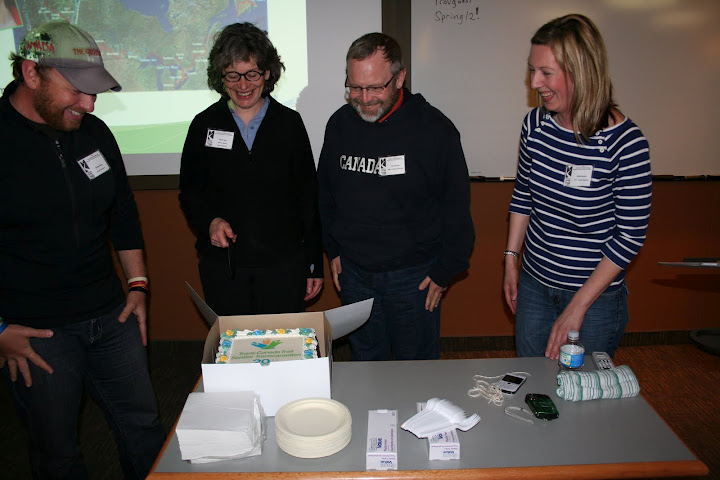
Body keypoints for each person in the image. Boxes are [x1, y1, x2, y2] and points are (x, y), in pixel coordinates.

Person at [0, 21, 165, 479]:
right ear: (32, 73)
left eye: (95, 93)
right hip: (36, 333)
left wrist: (137, 285)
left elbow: (123, 214)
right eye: (77, 90)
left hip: (111, 316)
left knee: (145, 428)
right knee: (58, 453)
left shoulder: (94, 133)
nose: (90, 104)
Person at [317, 33, 475, 361]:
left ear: (400, 77)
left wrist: (446, 270)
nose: (364, 98)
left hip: (414, 277)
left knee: (414, 371)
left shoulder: (434, 129)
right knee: (366, 365)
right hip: (356, 274)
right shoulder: (339, 125)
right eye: (355, 87)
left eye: (375, 87)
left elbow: (456, 207)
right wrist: (333, 248)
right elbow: (325, 192)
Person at [503, 14, 652, 359]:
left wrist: (579, 306)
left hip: (595, 297)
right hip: (535, 284)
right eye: (532, 69)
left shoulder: (626, 143)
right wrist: (511, 259)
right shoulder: (535, 125)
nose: (535, 82)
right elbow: (523, 194)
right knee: (535, 388)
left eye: (546, 72)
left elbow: (629, 236)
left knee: (583, 397)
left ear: (581, 72)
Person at [179, 22, 323, 315]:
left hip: (284, 268)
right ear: (220, 76)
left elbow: (308, 199)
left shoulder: (289, 124)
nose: (243, 85)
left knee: (284, 351)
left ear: (267, 73)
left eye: (252, 74)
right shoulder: (203, 125)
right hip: (225, 268)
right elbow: (190, 193)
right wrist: (209, 221)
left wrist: (313, 263)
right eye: (233, 75)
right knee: (234, 353)